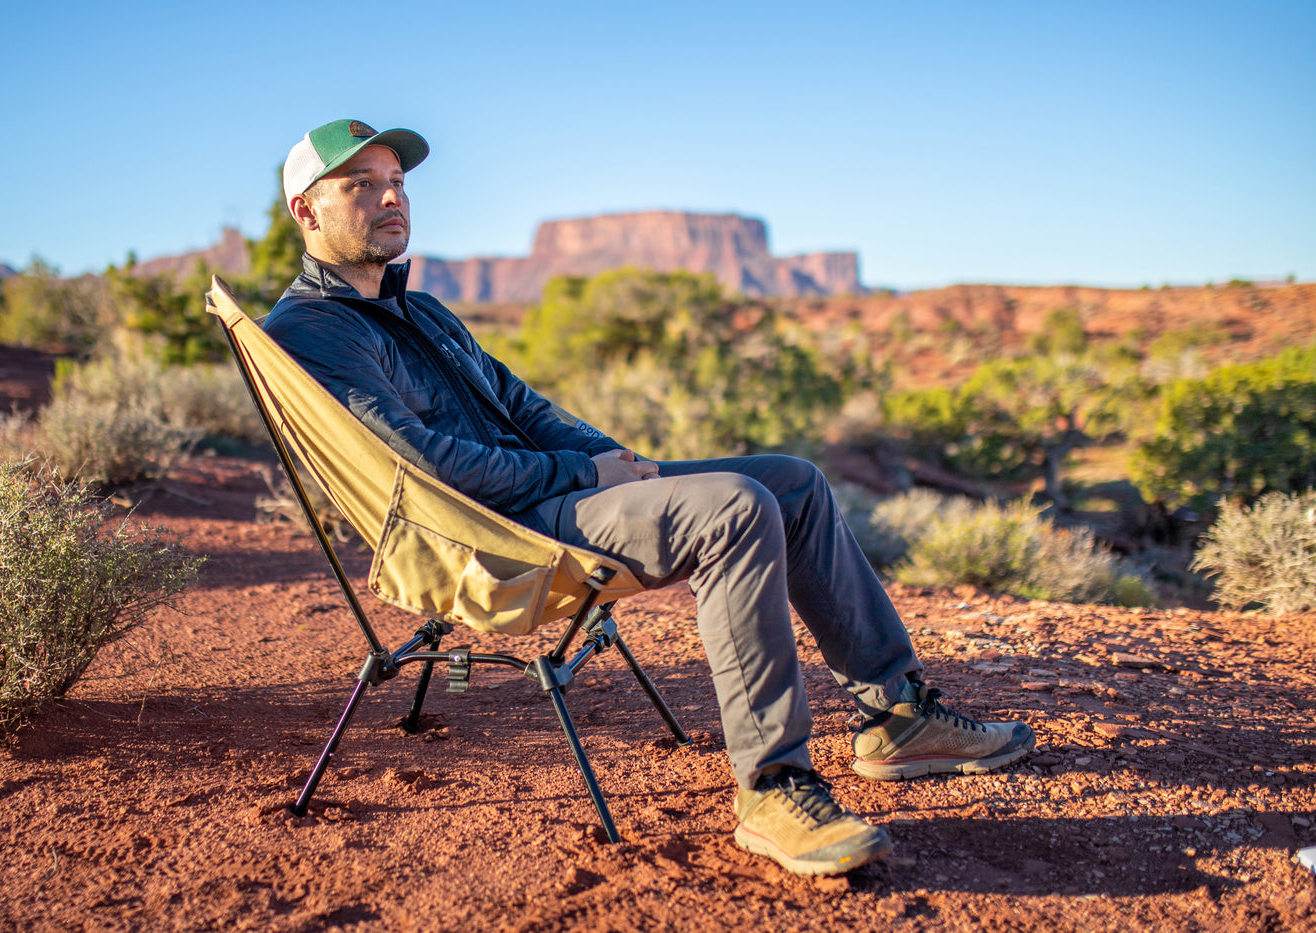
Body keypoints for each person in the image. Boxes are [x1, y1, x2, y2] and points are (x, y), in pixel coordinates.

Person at [263, 119, 1036, 877]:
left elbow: (524, 405)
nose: (390, 197)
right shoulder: (312, 328)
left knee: (793, 481)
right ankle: (772, 787)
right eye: (359, 184)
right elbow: (427, 469)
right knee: (733, 508)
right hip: (488, 534)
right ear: (306, 210)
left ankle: (898, 715)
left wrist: (618, 460)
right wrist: (584, 475)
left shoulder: (421, 310)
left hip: (545, 497)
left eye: (396, 181)